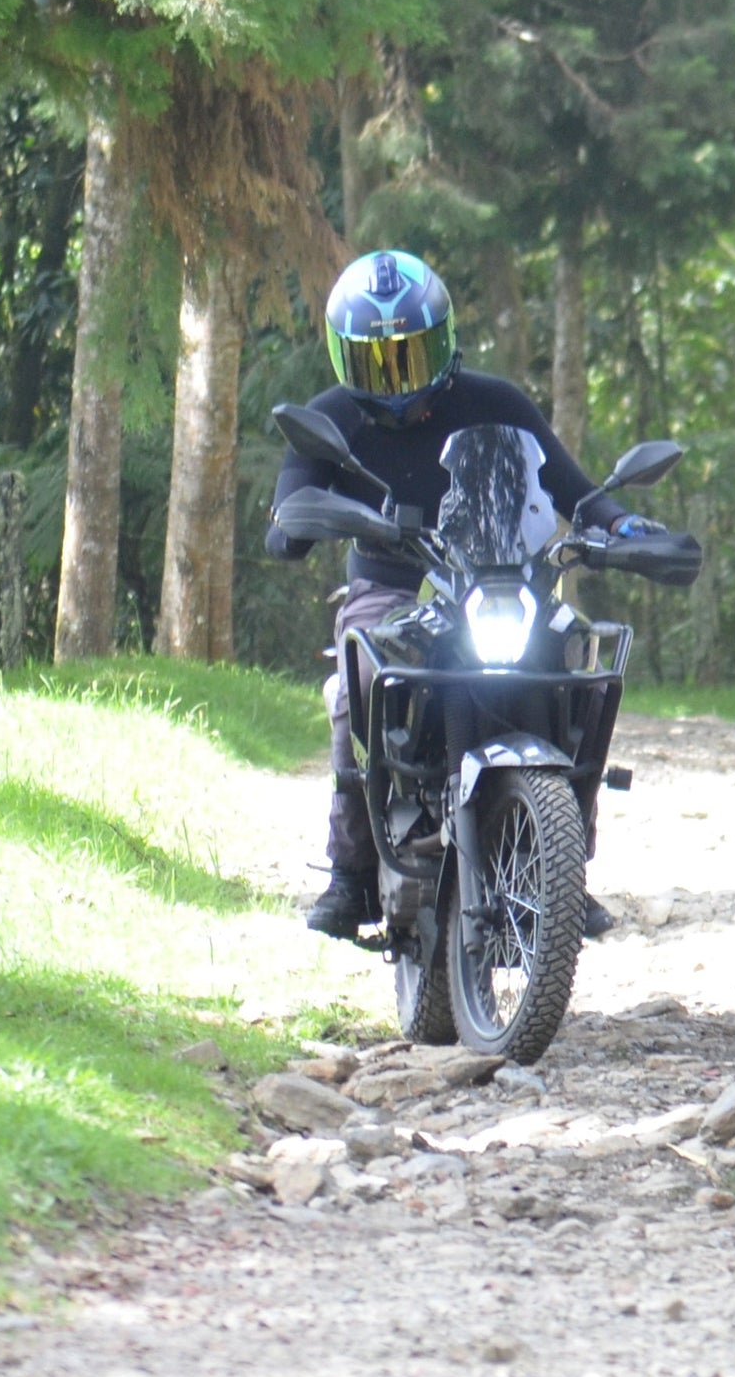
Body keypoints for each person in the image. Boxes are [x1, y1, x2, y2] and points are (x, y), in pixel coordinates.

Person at [272, 249, 689, 942]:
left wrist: (624, 526)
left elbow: (577, 493)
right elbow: (289, 512)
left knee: (575, 668)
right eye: (376, 362)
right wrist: (301, 519)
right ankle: (351, 870)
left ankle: (562, 866)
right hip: (392, 586)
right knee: (362, 680)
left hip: (500, 583)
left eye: (410, 355)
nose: (396, 378)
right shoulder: (331, 418)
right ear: (344, 358)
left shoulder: (497, 403)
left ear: (444, 342)